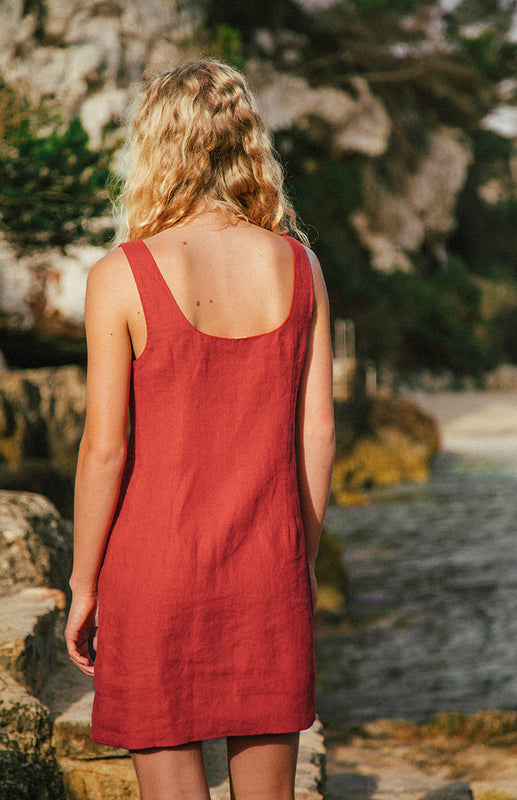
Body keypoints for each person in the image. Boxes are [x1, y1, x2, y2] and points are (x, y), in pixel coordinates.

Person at [64, 59, 335, 800]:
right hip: (266, 571)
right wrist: (303, 558)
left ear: (154, 147)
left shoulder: (120, 275)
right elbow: (316, 434)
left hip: (152, 574)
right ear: (247, 144)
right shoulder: (301, 267)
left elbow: (104, 448)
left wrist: (84, 583)